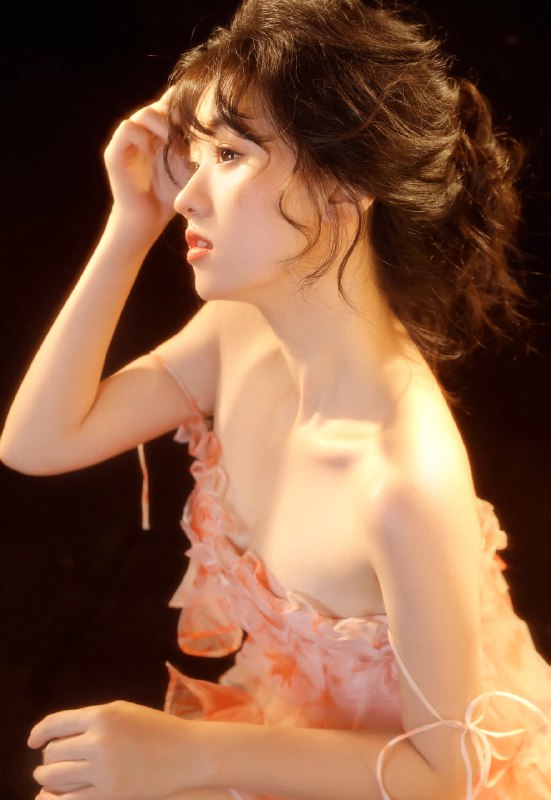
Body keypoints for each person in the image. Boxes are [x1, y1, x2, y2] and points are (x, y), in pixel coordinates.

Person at [1, 0, 550, 797]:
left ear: (343, 185)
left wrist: (190, 755)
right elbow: (37, 444)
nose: (187, 195)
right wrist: (130, 224)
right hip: (287, 745)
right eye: (195, 153)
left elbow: (450, 773)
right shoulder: (237, 334)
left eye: (229, 153)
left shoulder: (400, 479)